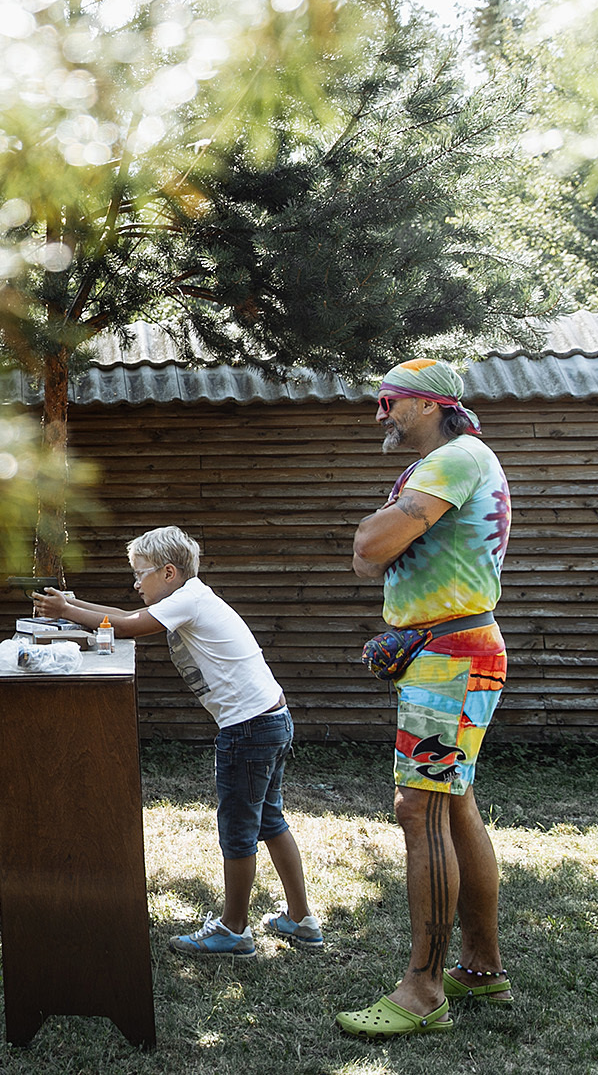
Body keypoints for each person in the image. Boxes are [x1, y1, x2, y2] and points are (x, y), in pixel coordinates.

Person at [34, 525, 322, 958]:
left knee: (238, 833)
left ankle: (234, 930)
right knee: (270, 821)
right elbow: (125, 614)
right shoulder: (191, 597)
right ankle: (301, 920)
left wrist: (68, 610)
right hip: (273, 720)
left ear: (168, 572)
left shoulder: (188, 600)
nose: (136, 583)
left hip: (248, 731)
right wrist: (70, 605)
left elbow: (126, 626)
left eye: (140, 574)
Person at [336, 358, 513, 1039]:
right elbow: (367, 559)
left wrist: (377, 535)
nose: (380, 412)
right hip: (448, 649)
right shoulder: (445, 465)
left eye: (391, 401)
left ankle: (422, 989)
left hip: (452, 657)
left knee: (419, 809)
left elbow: (369, 542)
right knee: (452, 801)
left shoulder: (454, 458)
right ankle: (481, 967)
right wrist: (377, 544)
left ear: (433, 404)